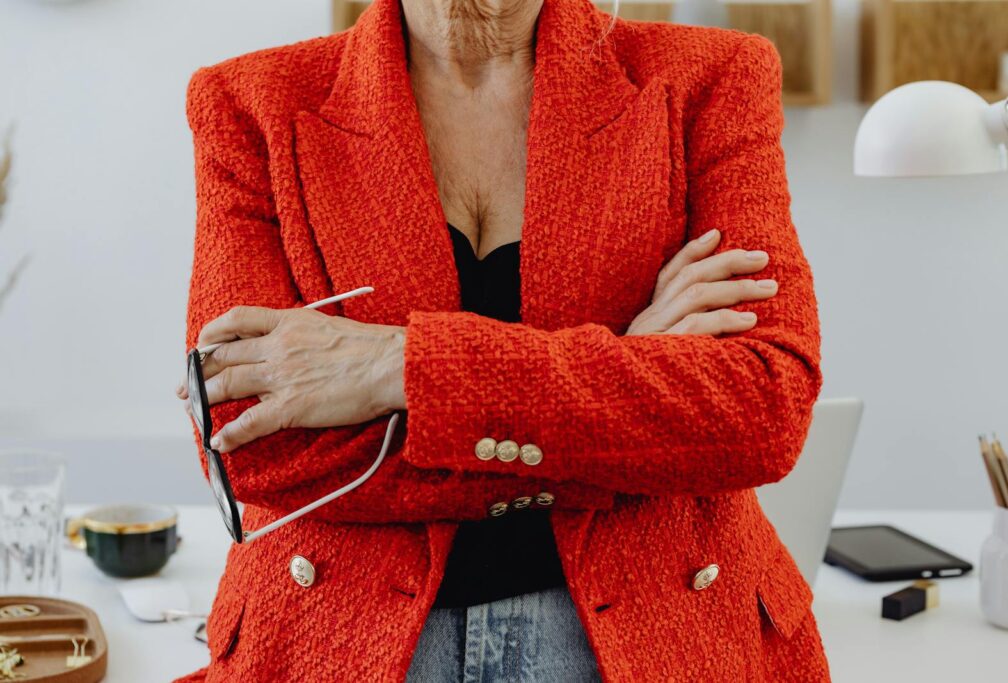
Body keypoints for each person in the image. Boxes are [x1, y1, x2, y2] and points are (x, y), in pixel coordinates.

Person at [174, 0, 829, 679]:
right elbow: (244, 440)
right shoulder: (247, 102)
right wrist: (626, 372)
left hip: (659, 632)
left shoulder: (712, 79)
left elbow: (764, 405)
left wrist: (397, 364)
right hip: (337, 638)